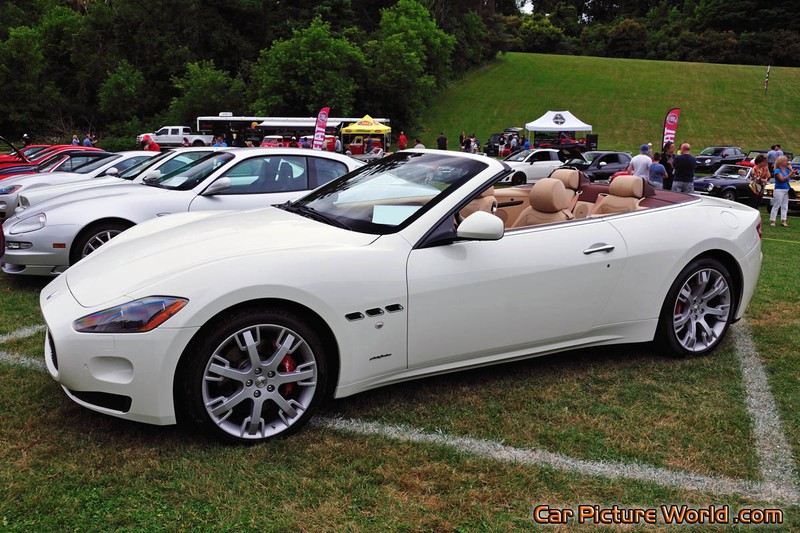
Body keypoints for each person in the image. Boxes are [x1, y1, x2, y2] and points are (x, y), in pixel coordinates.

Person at [770, 155, 795, 227]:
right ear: (781, 162)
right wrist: (790, 174)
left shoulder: (786, 170)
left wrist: (790, 169)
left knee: (785, 206)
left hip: (786, 189)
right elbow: (782, 179)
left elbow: (793, 176)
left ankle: (784, 220)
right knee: (776, 205)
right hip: (779, 190)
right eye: (785, 161)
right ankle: (773, 220)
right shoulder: (777, 170)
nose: (787, 162)